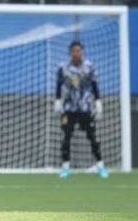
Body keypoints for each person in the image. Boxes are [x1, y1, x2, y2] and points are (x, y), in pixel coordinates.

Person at [54, 40, 108, 179]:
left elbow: (94, 84)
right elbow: (59, 84)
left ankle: (100, 166)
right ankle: (65, 168)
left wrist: (98, 101)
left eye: (78, 51)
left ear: (82, 52)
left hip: (85, 109)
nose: (76, 53)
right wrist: (58, 100)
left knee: (92, 138)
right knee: (66, 138)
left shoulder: (89, 67)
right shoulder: (63, 68)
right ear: (70, 53)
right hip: (69, 109)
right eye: (73, 51)